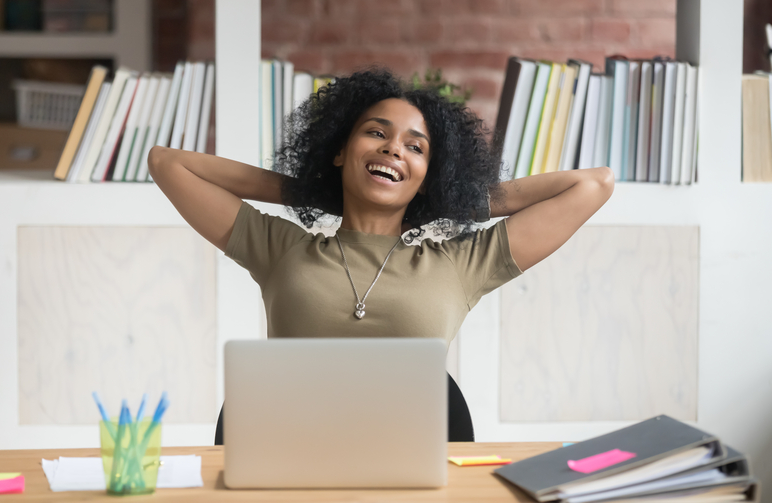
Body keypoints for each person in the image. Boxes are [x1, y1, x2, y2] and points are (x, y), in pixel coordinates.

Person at [148, 68, 614, 440]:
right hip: (286, 461)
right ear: (340, 151)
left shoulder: (461, 263)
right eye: (376, 133)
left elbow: (593, 185)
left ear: (431, 174)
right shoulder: (281, 248)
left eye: (416, 147)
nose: (394, 148)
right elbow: (169, 164)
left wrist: (449, 199)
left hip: (409, 472)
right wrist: (314, 191)